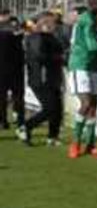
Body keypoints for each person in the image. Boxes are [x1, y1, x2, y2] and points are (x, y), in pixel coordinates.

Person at [66, 0, 97, 158]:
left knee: (93, 104)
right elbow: (92, 45)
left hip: (93, 66)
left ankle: (90, 145)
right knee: (86, 103)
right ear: (95, 3)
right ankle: (76, 143)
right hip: (81, 65)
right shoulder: (87, 19)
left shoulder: (91, 18)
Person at [18, 12, 64, 147]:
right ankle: (26, 126)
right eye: (51, 22)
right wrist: (60, 58)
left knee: (57, 109)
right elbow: (39, 56)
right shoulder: (36, 37)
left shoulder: (50, 37)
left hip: (52, 77)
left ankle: (52, 137)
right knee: (50, 108)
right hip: (41, 78)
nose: (54, 25)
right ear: (43, 23)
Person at [0, 9, 23, 130]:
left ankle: (4, 121)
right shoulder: (15, 29)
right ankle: (19, 120)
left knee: (3, 96)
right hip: (15, 67)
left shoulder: (13, 28)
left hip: (8, 67)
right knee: (17, 95)